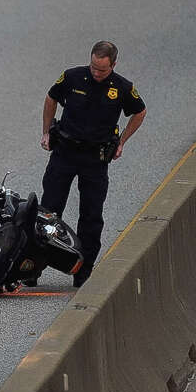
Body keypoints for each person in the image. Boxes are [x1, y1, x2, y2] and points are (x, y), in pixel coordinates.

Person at [40, 41, 147, 286]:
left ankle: (83, 270)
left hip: (95, 159)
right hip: (65, 153)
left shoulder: (122, 88)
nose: (96, 73)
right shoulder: (72, 77)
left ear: (113, 65)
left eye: (102, 70)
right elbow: (51, 98)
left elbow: (139, 112)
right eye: (93, 67)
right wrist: (46, 132)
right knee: (48, 211)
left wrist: (122, 142)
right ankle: (35, 266)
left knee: (90, 216)